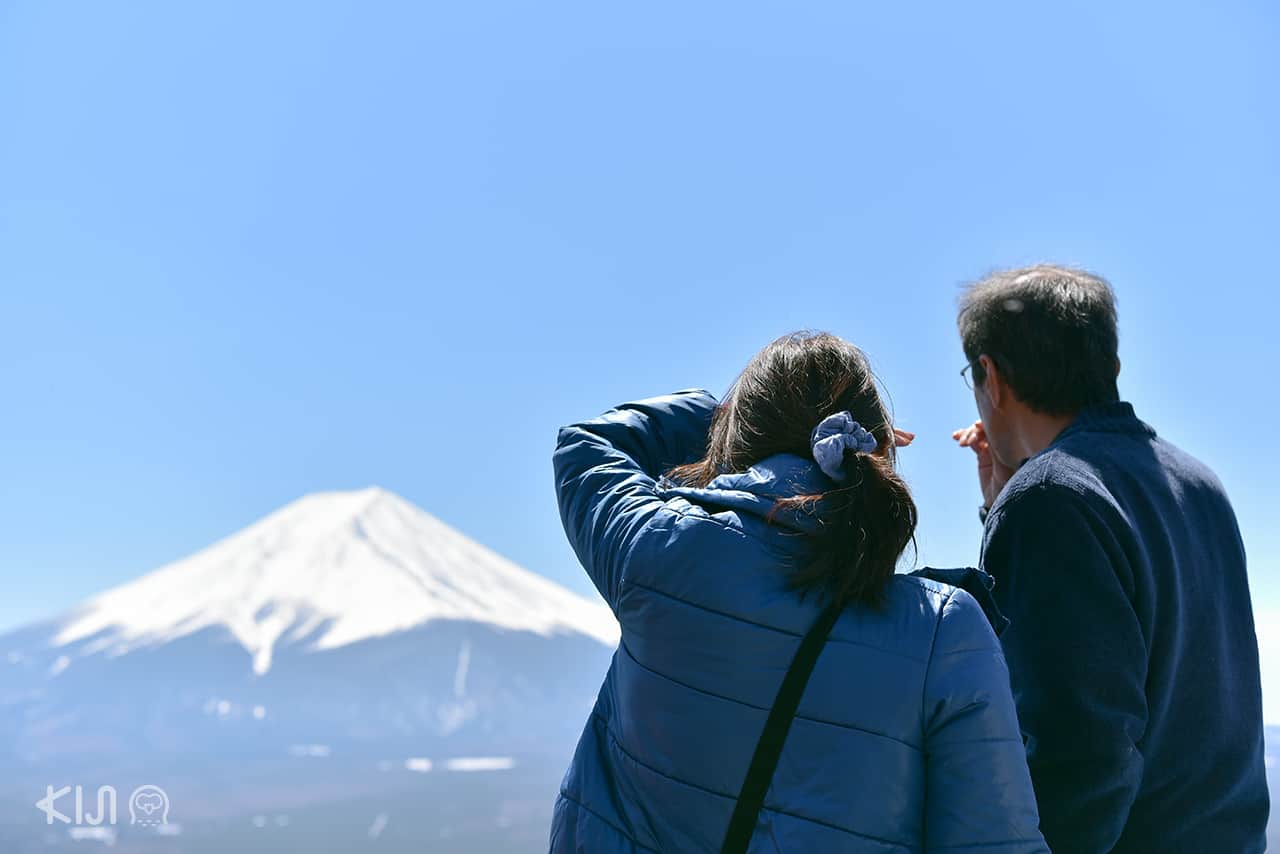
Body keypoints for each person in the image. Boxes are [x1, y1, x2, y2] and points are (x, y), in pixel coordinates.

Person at [550, 331, 1047, 853]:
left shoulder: (659, 547)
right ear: (877, 450)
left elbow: (589, 443)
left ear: (738, 435)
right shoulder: (944, 629)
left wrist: (729, 416)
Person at [952, 265, 1269, 853]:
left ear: (990, 377)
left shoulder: (1049, 498)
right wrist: (1001, 503)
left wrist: (1016, 505)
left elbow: (1078, 756)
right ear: (1110, 367)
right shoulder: (1200, 483)